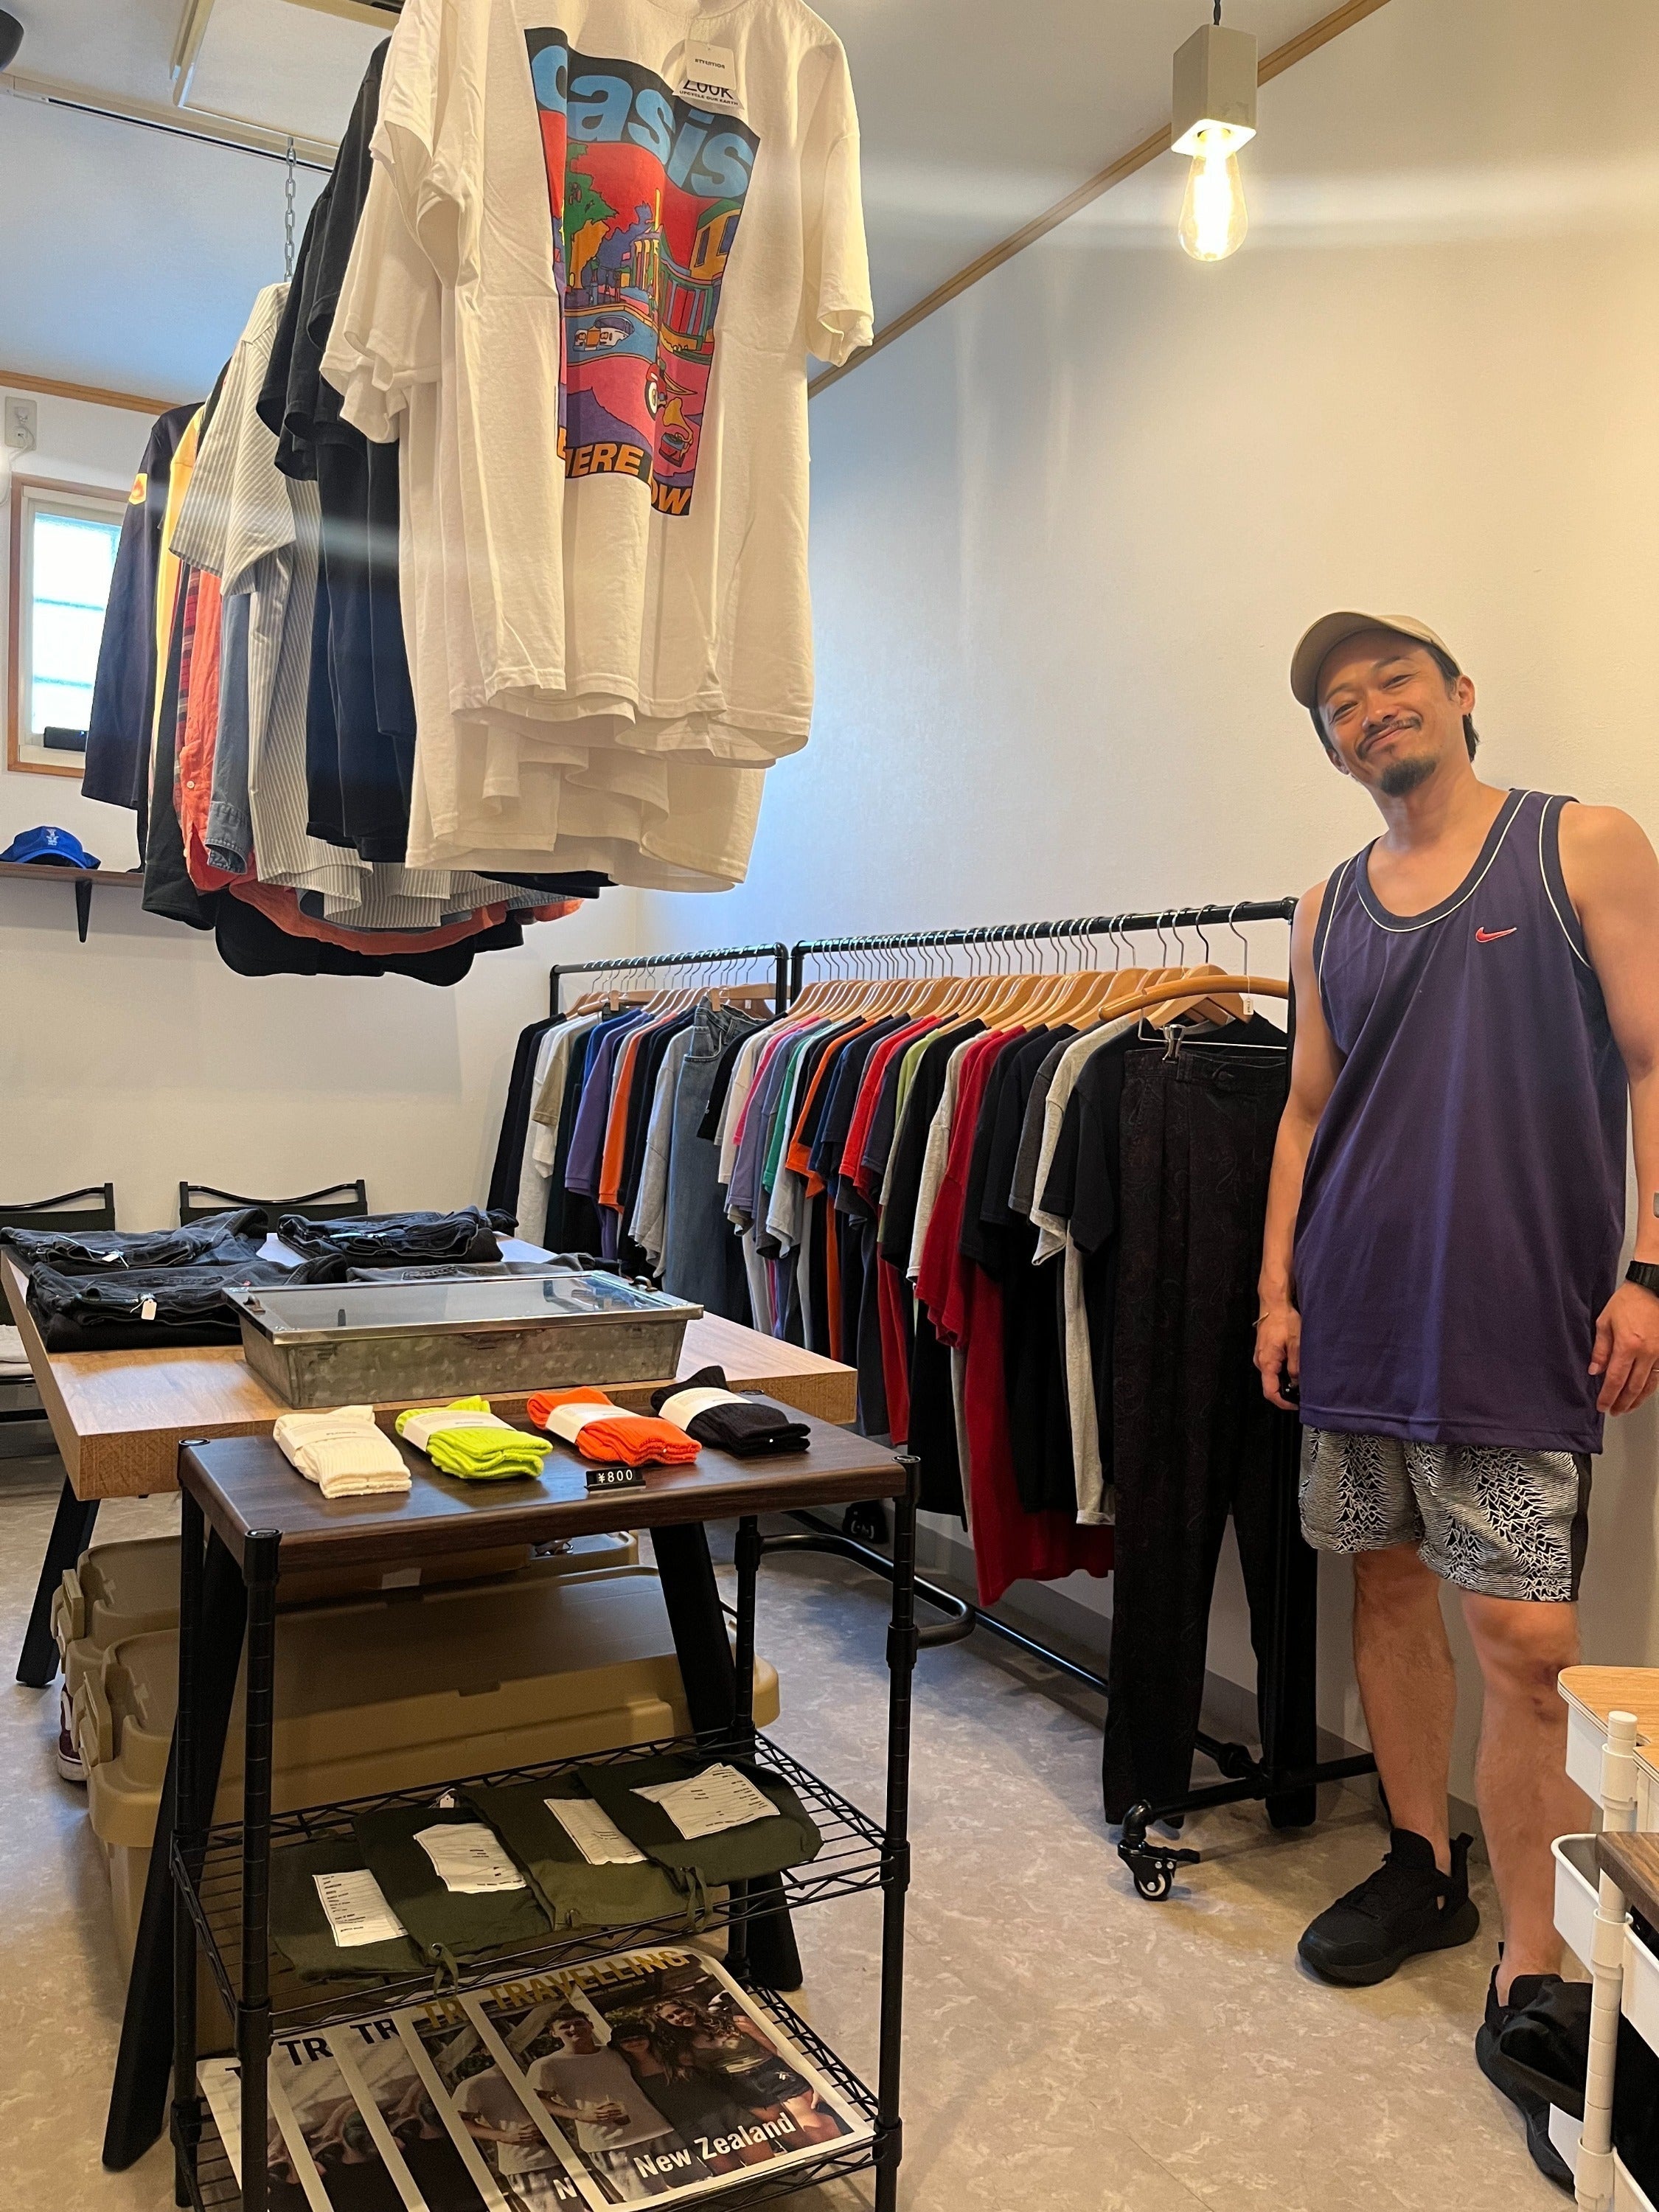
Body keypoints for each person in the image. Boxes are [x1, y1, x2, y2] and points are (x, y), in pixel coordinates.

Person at [1256, 611, 1659, 2183]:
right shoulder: (1326, 905)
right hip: (1353, 1307)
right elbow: (1305, 1108)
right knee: (1384, 1586)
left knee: (1529, 1646)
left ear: (1460, 696)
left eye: (1394, 683)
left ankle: (1535, 1967)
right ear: (1330, 747)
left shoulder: (1579, 845)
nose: (1370, 712)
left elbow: (1652, 1062)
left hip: (1512, 1316)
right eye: (1340, 706)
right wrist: (1277, 1288)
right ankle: (1422, 1866)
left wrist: (1649, 1269)